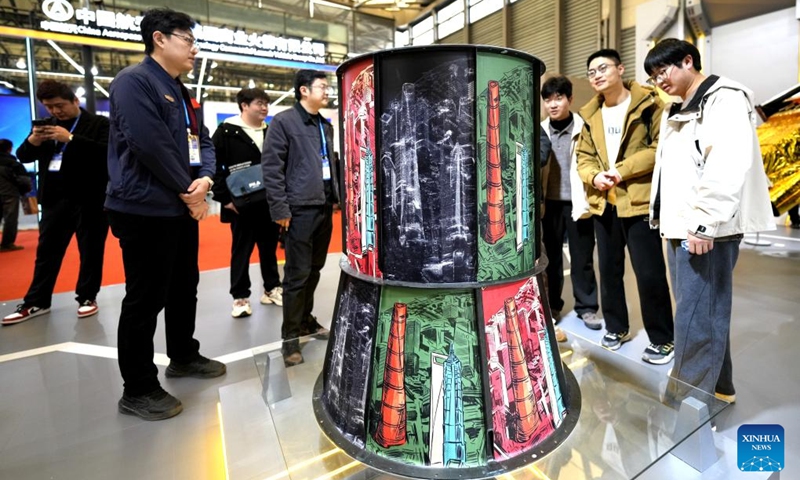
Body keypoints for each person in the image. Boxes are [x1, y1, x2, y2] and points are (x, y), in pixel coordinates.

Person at [105, 8, 225, 421]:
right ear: (159, 38)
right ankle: (137, 388)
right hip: (145, 208)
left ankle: (183, 355)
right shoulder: (134, 82)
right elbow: (149, 144)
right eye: (188, 39)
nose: (194, 49)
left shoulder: (182, 91)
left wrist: (205, 178)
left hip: (179, 205)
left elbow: (202, 140)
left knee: (183, 287)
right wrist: (190, 193)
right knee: (145, 298)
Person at [644, 38, 774, 400]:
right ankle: (720, 388)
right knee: (702, 311)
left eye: (664, 70)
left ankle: (687, 404)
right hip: (679, 225)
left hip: (704, 229)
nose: (660, 80)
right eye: (654, 76)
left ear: (688, 61)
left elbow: (727, 164)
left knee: (695, 318)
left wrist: (704, 222)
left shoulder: (723, 98)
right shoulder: (677, 107)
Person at [576, 49, 674, 364]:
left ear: (620, 69)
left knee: (649, 273)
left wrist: (620, 171)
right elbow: (583, 157)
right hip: (604, 203)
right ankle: (616, 327)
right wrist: (594, 176)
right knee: (609, 271)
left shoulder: (648, 104)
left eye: (603, 68)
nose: (597, 75)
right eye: (591, 72)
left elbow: (659, 148)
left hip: (638, 202)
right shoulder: (591, 115)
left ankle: (663, 338)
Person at [2, 81, 109, 325]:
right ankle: (36, 301)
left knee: (91, 251)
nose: (55, 111)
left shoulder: (99, 124)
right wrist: (34, 140)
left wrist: (70, 138)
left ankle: (87, 297)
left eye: (59, 105)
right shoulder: (46, 126)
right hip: (54, 199)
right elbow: (23, 156)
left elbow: (106, 153)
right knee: (47, 253)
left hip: (90, 199)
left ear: (75, 101)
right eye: (49, 107)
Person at [262, 69, 338, 366]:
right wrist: (280, 209)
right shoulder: (284, 122)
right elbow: (272, 168)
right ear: (304, 90)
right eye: (322, 86)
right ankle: (290, 340)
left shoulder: (324, 125)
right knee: (296, 275)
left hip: (324, 206)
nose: (327, 91)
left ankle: (305, 320)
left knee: (315, 270)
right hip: (299, 209)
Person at [211, 88, 282, 318]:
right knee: (241, 251)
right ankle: (240, 298)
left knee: (269, 248)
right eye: (259, 103)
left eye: (266, 103)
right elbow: (213, 166)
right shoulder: (226, 132)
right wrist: (225, 199)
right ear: (244, 105)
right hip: (240, 206)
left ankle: (272, 288)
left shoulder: (270, 131)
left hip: (268, 203)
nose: (265, 108)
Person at [540, 76, 601, 331]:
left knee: (582, 258)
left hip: (578, 203)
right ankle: (553, 305)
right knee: (552, 259)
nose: (553, 104)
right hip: (549, 205)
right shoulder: (540, 130)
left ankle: (587, 308)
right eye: (548, 100)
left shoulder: (584, 128)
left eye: (559, 98)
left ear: (570, 99)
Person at [0, 139, 28, 252]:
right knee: (10, 219)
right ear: (10, 149)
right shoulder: (14, 164)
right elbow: (24, 181)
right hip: (10, 194)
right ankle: (7, 244)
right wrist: (24, 191)